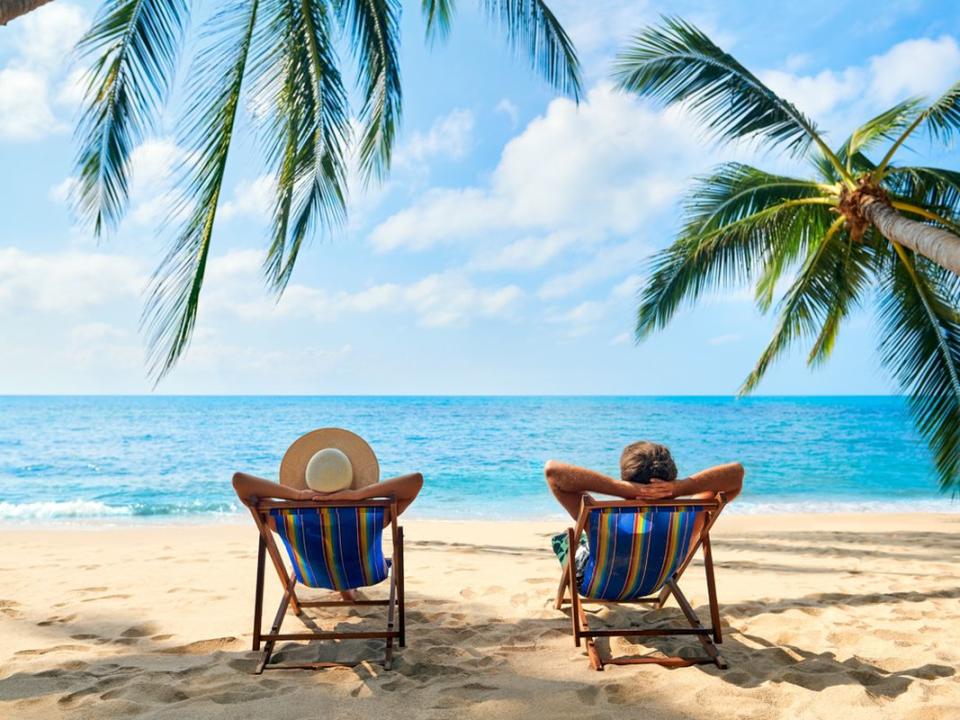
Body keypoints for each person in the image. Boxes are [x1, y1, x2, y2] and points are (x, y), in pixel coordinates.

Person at [544, 441, 743, 581]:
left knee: (565, 540)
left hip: (603, 584)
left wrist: (621, 488)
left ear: (626, 478)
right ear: (672, 476)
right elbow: (736, 474)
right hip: (658, 580)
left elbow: (553, 472)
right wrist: (678, 488)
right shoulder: (692, 514)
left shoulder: (603, 521)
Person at [231, 471, 423, 601]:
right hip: (367, 573)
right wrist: (357, 495)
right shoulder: (373, 514)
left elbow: (240, 481)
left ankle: (343, 588)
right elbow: (416, 480)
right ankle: (347, 586)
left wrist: (297, 495)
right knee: (344, 546)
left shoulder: (283, 518)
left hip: (313, 576)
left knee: (326, 547)